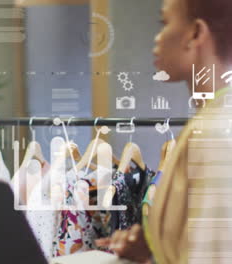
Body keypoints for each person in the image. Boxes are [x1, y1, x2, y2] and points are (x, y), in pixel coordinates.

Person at [96, 0, 232, 263]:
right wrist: (155, 248)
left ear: (195, 33)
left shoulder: (215, 133)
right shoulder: (211, 123)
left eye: (165, 23)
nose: (157, 38)